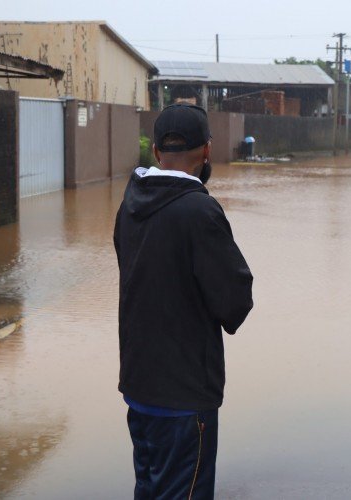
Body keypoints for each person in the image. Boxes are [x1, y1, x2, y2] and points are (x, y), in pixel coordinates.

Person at [113, 104, 254, 499]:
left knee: (150, 488)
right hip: (184, 396)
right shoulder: (199, 210)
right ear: (207, 151)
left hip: (139, 389)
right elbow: (234, 304)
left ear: (156, 152)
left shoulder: (129, 206)